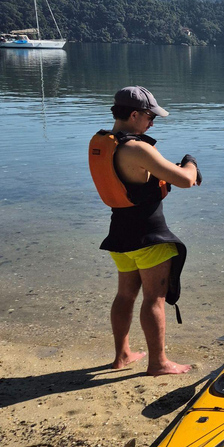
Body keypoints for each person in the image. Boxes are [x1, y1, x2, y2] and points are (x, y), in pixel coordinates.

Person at [88, 86, 202, 376]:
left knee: (124, 296)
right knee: (154, 298)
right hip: (149, 237)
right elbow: (186, 180)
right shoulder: (137, 148)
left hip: (119, 235)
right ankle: (158, 363)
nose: (152, 123)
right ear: (135, 115)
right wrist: (191, 163)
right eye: (150, 117)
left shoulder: (102, 143)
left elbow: (134, 180)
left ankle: (122, 355)